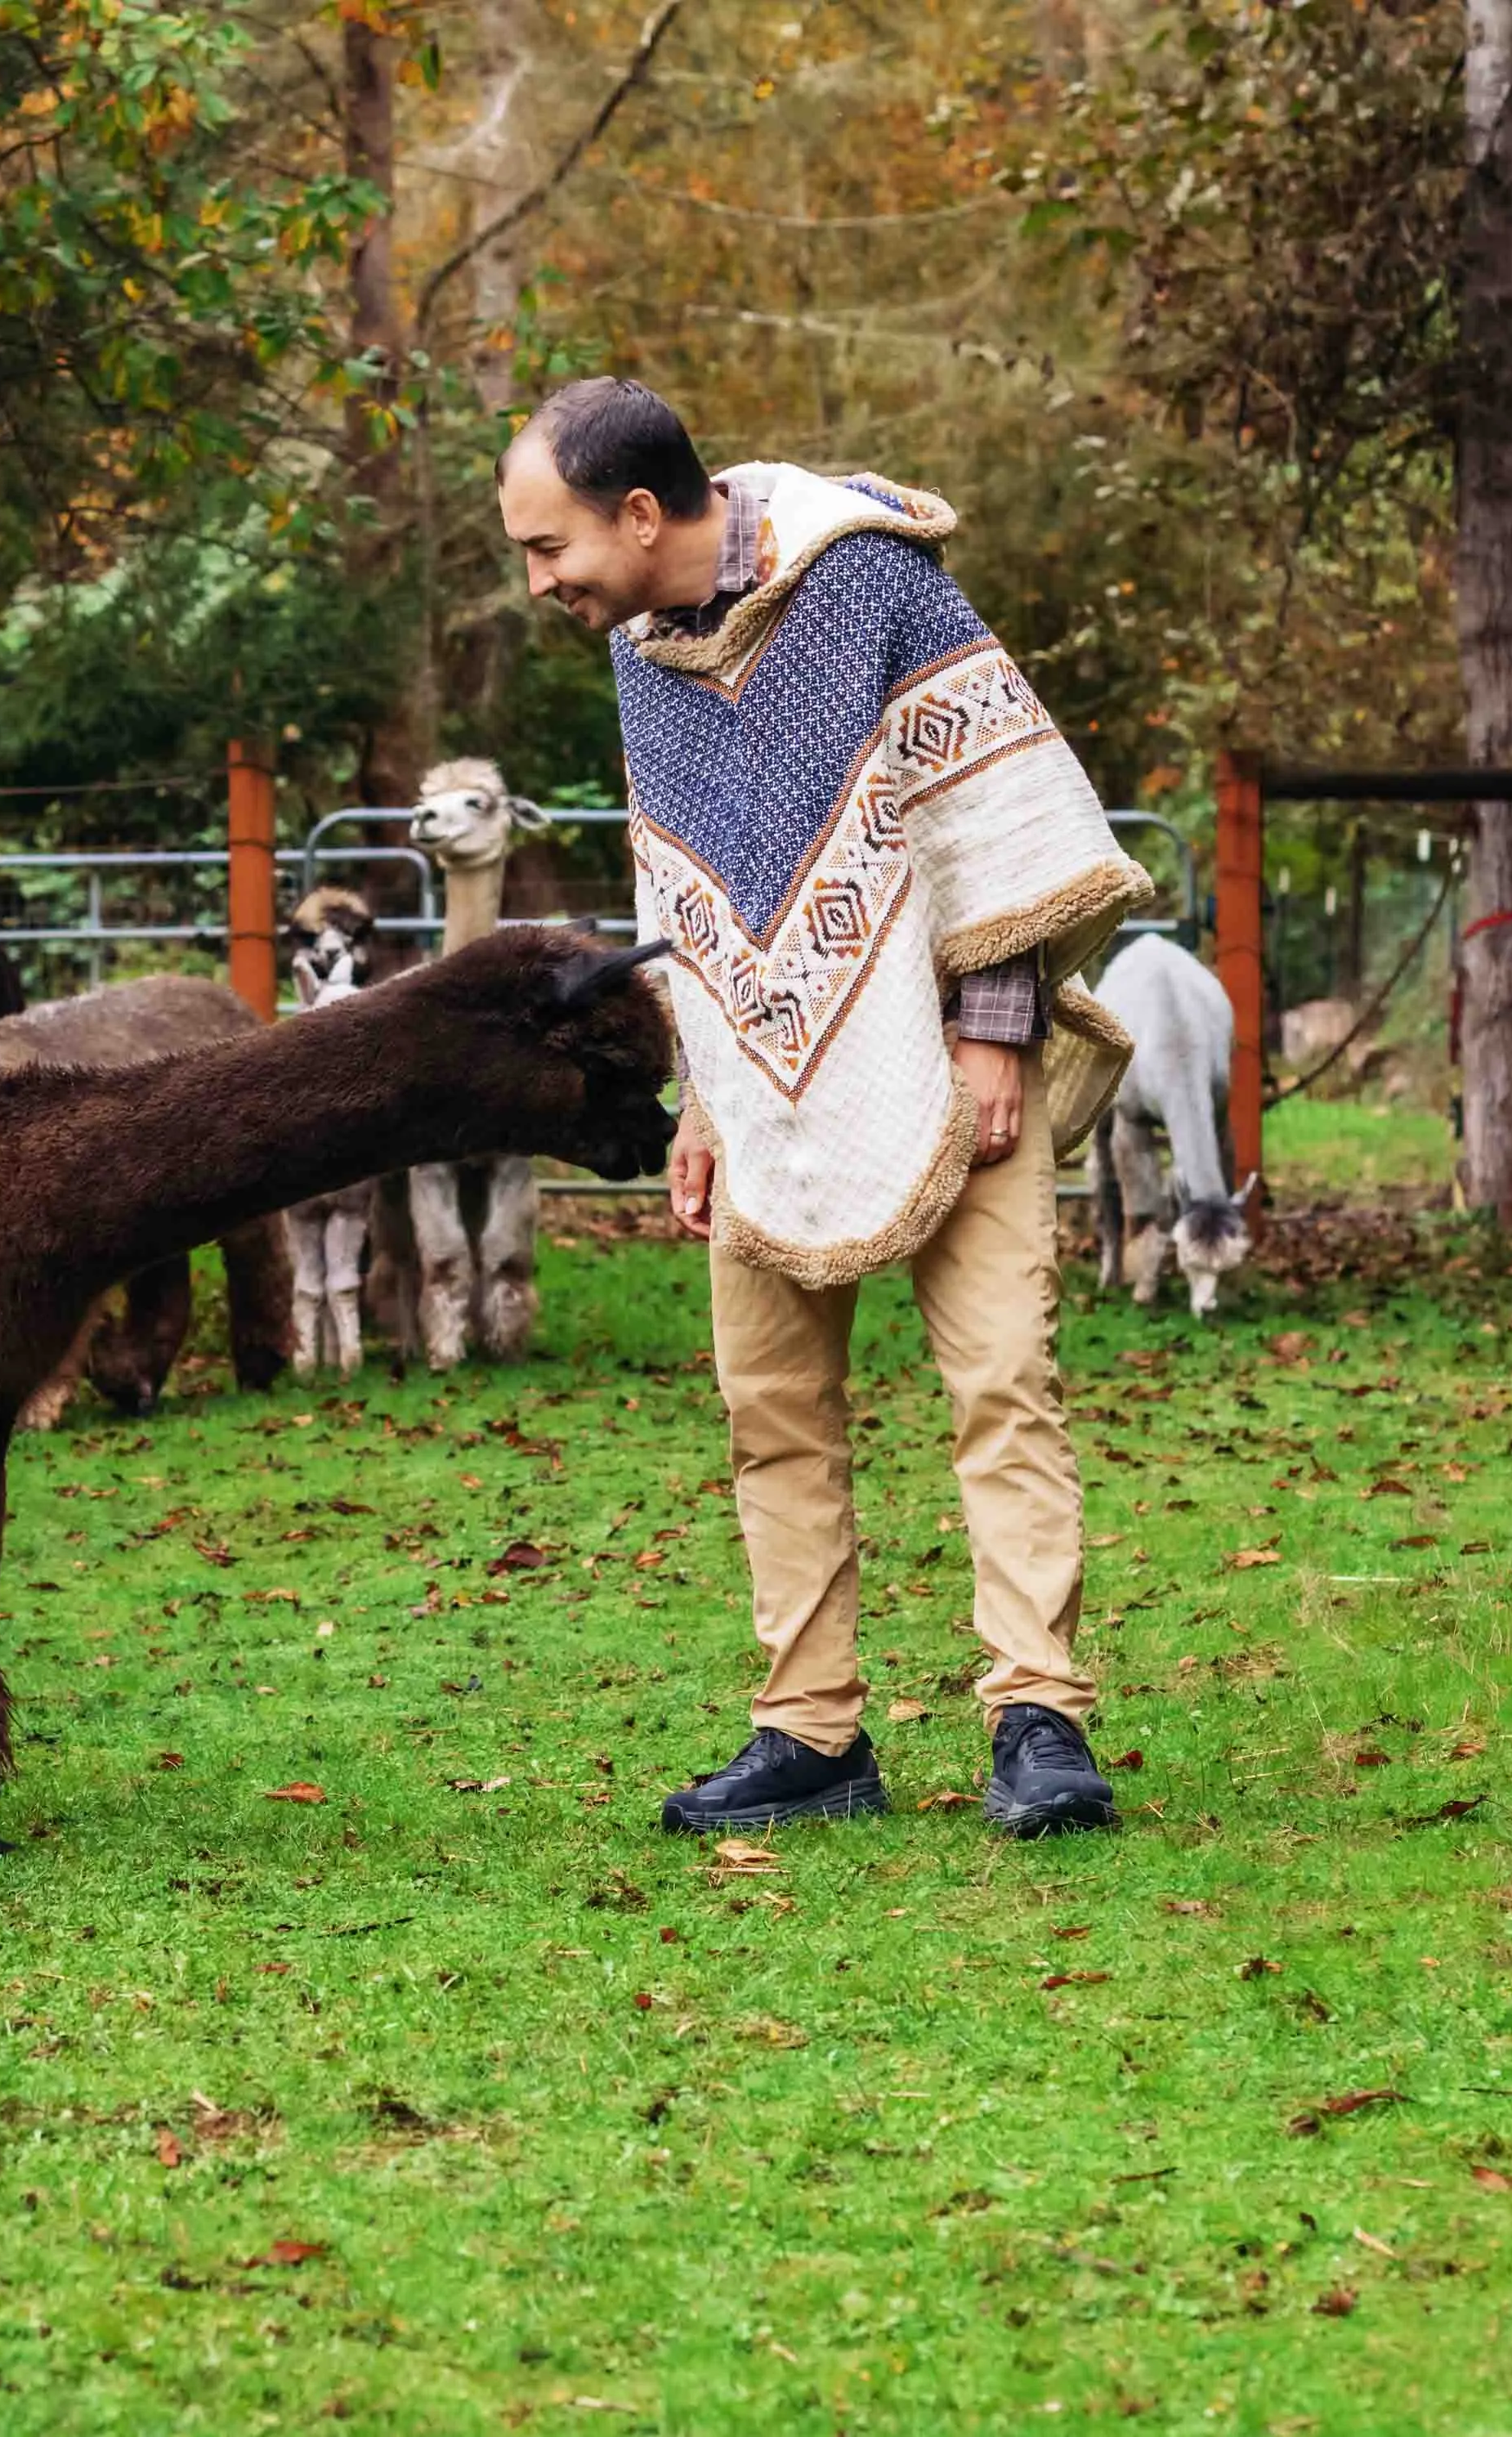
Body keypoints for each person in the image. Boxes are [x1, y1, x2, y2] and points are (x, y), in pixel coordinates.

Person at [497, 377, 1147, 1839]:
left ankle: (1039, 1718)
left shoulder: (864, 580)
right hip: (764, 1092)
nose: (540, 582)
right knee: (773, 1410)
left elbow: (992, 809)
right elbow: (692, 888)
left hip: (950, 1046)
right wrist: (704, 1105)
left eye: (549, 549)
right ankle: (812, 1736)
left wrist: (995, 1034)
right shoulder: (643, 655)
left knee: (1002, 1388)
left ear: (641, 514)